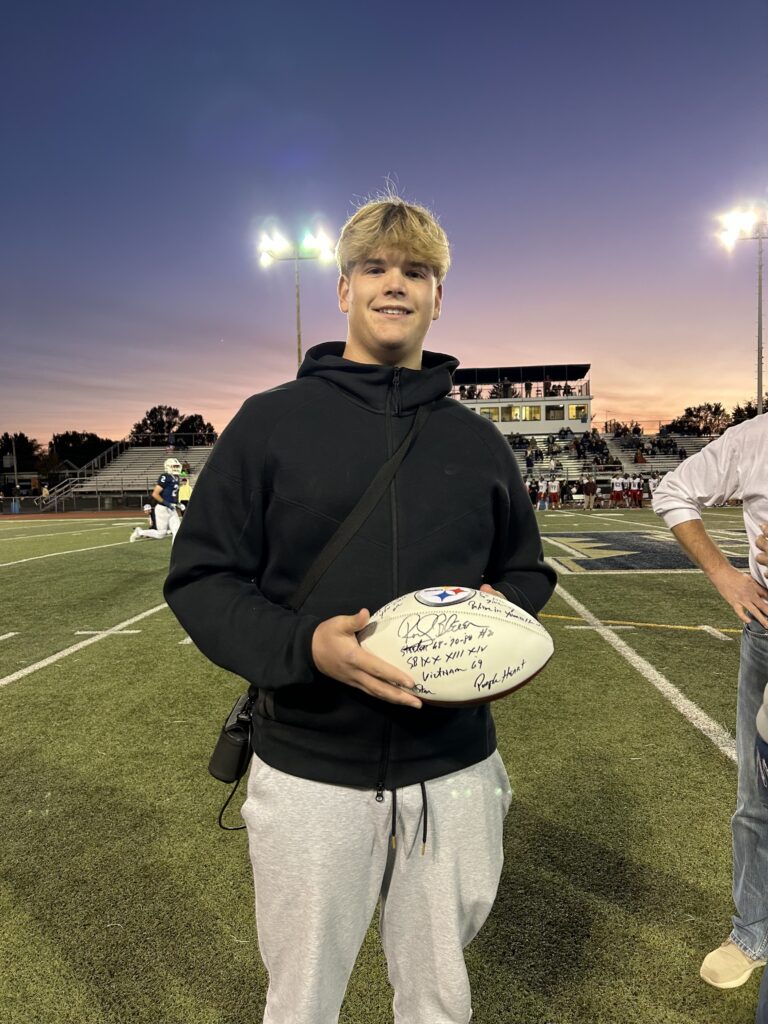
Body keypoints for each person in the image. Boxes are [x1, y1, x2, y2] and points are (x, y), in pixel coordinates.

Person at [164, 195, 556, 1024]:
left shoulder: (477, 442)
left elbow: (525, 571)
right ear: (342, 288)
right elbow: (201, 580)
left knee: (440, 1000)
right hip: (310, 769)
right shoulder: (270, 423)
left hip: (454, 771)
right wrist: (309, 647)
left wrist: (499, 630)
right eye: (375, 268)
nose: (395, 285)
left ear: (439, 296)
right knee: (303, 1001)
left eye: (416, 271)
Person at [652, 415, 768, 991]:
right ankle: (753, 930)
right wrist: (724, 574)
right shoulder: (757, 437)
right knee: (758, 795)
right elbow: (672, 490)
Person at [130, 457, 182, 542]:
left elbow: (172, 495)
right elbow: (155, 494)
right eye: (174, 466)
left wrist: (178, 503)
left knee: (177, 532)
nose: (176, 468)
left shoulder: (176, 478)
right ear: (168, 467)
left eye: (177, 466)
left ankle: (177, 554)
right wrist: (167, 503)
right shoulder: (165, 477)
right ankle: (139, 532)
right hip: (162, 508)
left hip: (172, 509)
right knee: (161, 534)